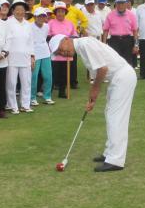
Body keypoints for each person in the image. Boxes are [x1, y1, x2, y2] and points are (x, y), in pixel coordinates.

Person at [50, 34, 137, 172]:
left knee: (116, 117)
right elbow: (98, 71)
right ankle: (109, 153)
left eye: (60, 49)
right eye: (59, 53)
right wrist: (93, 97)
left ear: (66, 39)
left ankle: (116, 160)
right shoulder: (81, 47)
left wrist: (95, 90)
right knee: (110, 114)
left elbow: (102, 69)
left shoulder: (85, 44)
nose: (63, 53)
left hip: (123, 76)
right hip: (118, 78)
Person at [5, 0, 35, 114]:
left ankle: (25, 105)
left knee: (26, 82)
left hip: (25, 57)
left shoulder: (28, 24)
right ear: (13, 10)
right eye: (17, 10)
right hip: (11, 58)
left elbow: (31, 42)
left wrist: (32, 56)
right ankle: (12, 105)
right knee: (11, 83)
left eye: (22, 10)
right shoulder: (7, 23)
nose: (20, 12)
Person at [103, 0, 138, 67]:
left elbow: (135, 31)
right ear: (116, 4)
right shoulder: (110, 15)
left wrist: (136, 45)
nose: (120, 5)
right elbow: (106, 30)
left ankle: (128, 78)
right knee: (115, 62)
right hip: (114, 41)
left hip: (127, 40)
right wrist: (104, 44)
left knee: (128, 62)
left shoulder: (131, 15)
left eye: (122, 3)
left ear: (126, 4)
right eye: (118, 3)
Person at [30, 7, 54, 106]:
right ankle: (32, 97)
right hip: (34, 52)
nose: (41, 18)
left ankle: (47, 96)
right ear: (35, 17)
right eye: (39, 16)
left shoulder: (47, 26)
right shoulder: (29, 26)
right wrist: (31, 55)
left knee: (48, 75)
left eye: (43, 16)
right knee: (34, 76)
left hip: (45, 52)